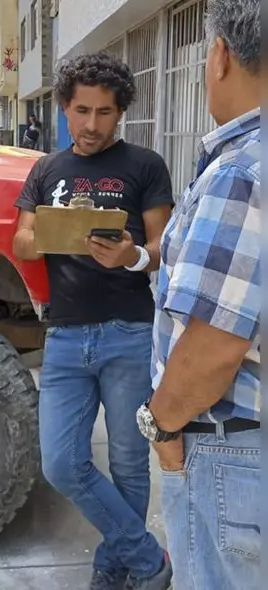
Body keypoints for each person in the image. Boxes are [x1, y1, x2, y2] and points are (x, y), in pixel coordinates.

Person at [12, 52, 173, 590]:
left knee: (129, 462)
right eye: (81, 110)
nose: (91, 125)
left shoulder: (145, 165)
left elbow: (162, 248)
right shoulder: (47, 169)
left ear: (120, 112)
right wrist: (58, 234)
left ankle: (114, 566)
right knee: (61, 463)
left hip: (128, 330)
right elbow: (21, 241)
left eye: (105, 112)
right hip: (64, 335)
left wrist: (131, 256)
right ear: (63, 107)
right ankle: (147, 558)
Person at [141, 2, 261, 588]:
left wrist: (160, 426)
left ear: (220, 57)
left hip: (231, 451)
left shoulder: (243, 171)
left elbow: (214, 345)